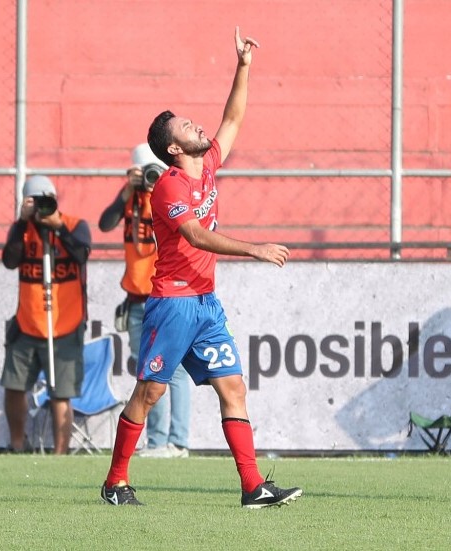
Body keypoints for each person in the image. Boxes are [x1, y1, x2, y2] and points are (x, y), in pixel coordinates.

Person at [100, 27, 302, 508]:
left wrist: (243, 67)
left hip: (206, 304)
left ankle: (253, 487)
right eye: (186, 128)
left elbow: (232, 119)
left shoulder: (207, 164)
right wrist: (252, 249)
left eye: (192, 122)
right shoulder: (168, 185)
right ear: (173, 149)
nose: (197, 127)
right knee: (149, 393)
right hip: (172, 303)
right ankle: (116, 482)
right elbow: (194, 234)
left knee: (233, 386)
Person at [98, 144, 191, 459]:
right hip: (137, 296)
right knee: (148, 371)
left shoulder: (169, 194)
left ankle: (174, 441)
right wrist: (127, 191)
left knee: (170, 370)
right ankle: (158, 441)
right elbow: (105, 223)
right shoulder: (132, 198)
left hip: (164, 294)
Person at [1, 175, 92, 455]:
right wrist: (20, 222)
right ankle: (17, 444)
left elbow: (82, 255)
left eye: (46, 202)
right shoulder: (22, 230)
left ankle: (60, 452)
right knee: (14, 387)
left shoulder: (75, 225)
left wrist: (59, 227)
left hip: (65, 323)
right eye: (35, 202)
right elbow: (10, 261)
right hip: (27, 323)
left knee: (60, 393)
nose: (41, 208)